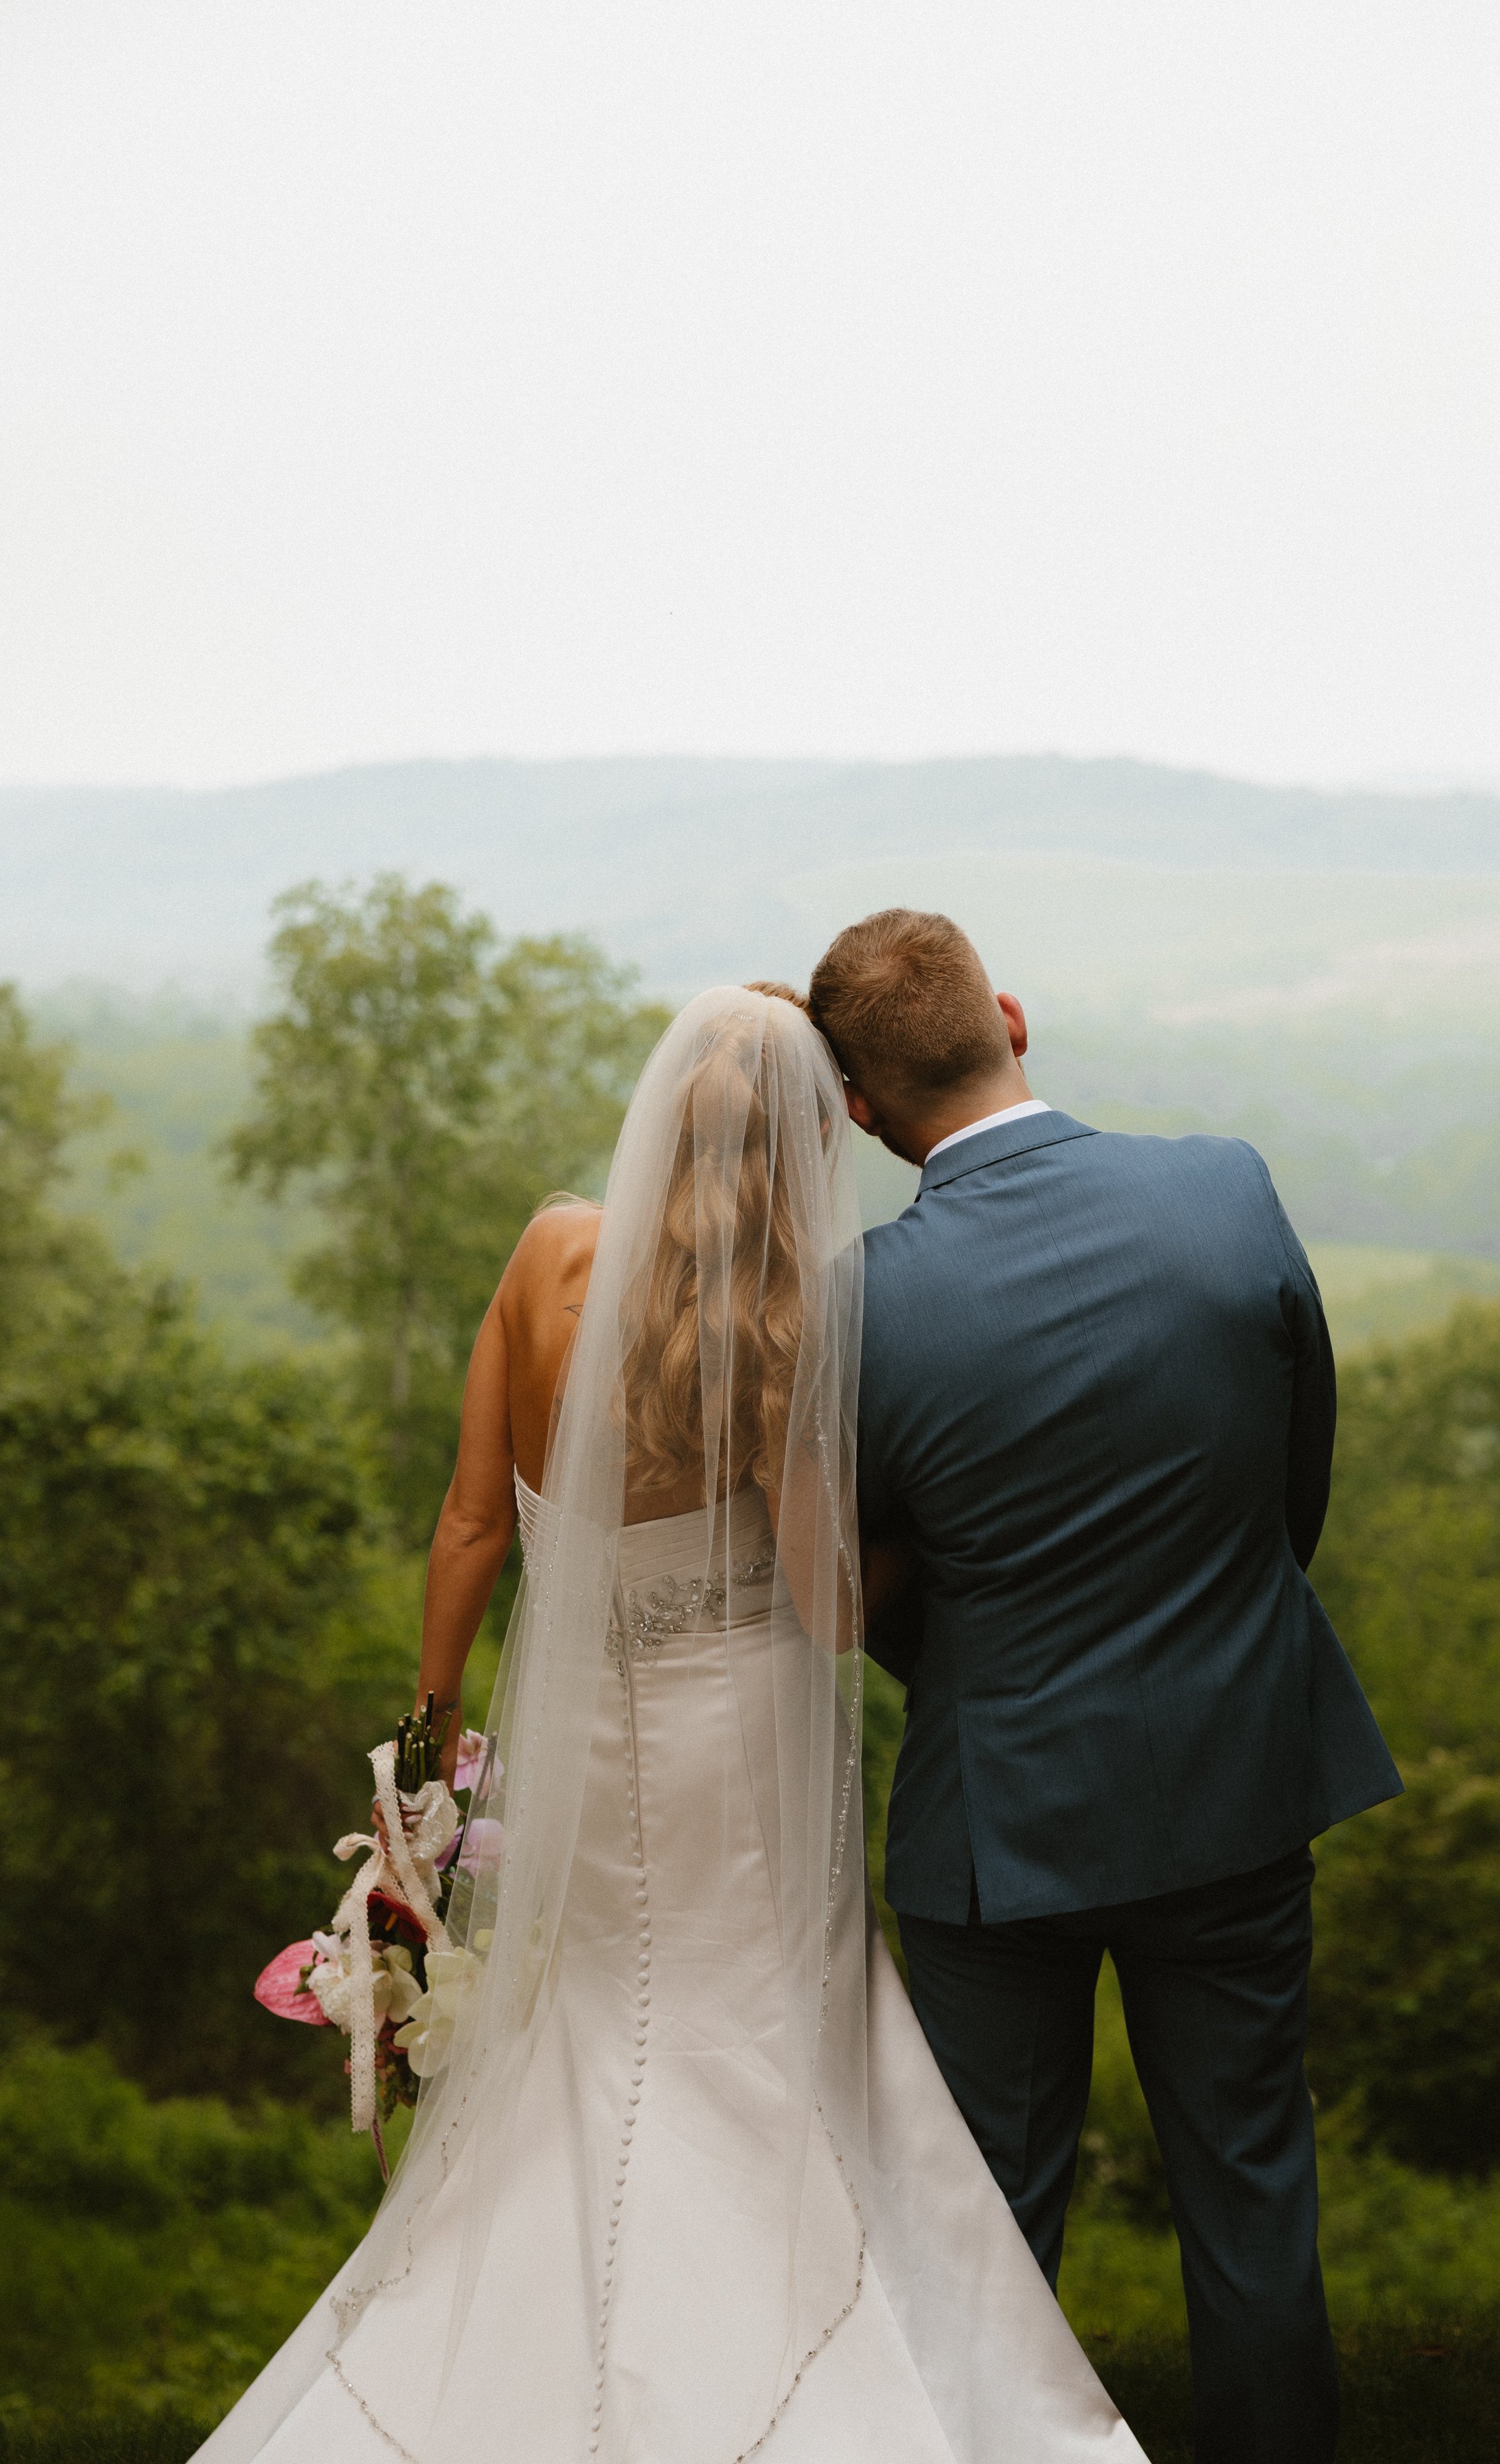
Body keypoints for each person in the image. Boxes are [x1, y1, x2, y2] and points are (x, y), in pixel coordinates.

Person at [195, 984, 1145, 2464]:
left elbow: (468, 1523)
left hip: (579, 1737)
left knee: (588, 2031)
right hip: (732, 1745)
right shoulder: (772, 1323)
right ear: (799, 1142)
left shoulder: (546, 1255)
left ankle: (538, 2343)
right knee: (754, 2031)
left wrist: (431, 1741)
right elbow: (832, 1606)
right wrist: (941, 1538)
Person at [807, 910, 1403, 2464]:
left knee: (988, 2229)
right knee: (1251, 2184)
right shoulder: (1225, 1186)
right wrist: (1209, 1633)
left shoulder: (861, 1300)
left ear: (859, 1109)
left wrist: (980, 1671)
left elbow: (857, 1585)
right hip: (1234, 1776)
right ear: (1008, 1015)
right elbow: (1292, 1484)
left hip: (998, 1821)